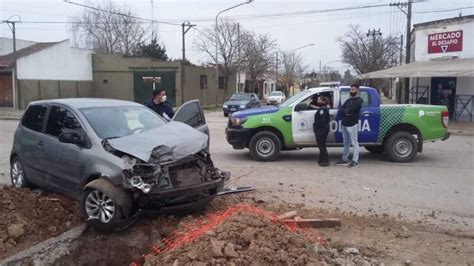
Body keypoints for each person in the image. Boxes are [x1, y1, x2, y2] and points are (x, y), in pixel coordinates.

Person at [336, 84, 363, 168]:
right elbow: (342, 109)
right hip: (344, 123)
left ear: (357, 90)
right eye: (351, 90)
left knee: (354, 142)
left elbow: (352, 109)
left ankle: (355, 161)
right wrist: (346, 111)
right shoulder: (348, 101)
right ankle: (345, 159)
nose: (351, 91)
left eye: (353, 89)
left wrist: (347, 111)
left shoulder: (359, 100)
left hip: (352, 124)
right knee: (346, 142)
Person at [313, 95, 330, 167]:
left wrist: (317, 129)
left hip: (321, 129)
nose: (318, 101)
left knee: (321, 145)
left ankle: (325, 161)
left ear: (323, 101)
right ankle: (321, 159)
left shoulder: (322, 110)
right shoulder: (323, 108)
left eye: (319, 100)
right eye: (317, 100)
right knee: (321, 145)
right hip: (323, 129)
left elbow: (322, 121)